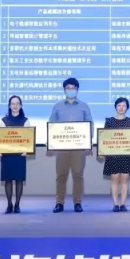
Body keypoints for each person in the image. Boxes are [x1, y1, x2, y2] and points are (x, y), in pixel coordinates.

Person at [50, 78, 93, 213]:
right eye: (68, 88)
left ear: (77, 90)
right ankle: (59, 202)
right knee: (61, 175)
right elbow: (52, 125)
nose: (70, 90)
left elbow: (90, 124)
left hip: (79, 147)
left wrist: (88, 141)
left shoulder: (84, 106)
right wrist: (50, 141)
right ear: (64, 90)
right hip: (62, 146)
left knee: (78, 175)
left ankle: (77, 202)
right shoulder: (57, 106)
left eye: (73, 88)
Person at [103, 97, 130, 212]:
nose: (121, 108)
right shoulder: (109, 121)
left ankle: (123, 204)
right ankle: (115, 204)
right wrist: (103, 151)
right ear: (115, 107)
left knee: (124, 181)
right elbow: (105, 138)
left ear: (127, 108)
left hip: (126, 155)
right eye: (119, 105)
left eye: (124, 106)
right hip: (113, 155)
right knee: (114, 180)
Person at [0, 95, 30, 214]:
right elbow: (0, 138)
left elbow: (29, 138)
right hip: (7, 154)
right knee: (8, 180)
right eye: (12, 103)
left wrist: (27, 150)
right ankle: (9, 205)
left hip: (20, 155)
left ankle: (17, 205)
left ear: (21, 106)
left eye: (17, 103)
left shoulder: (25, 120)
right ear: (9, 106)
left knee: (19, 180)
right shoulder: (4, 120)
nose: (15, 106)